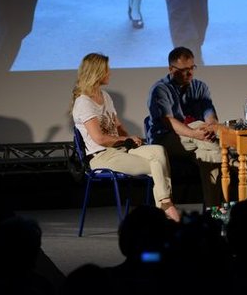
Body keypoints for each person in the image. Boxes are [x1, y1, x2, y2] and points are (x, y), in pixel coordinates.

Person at [71, 53, 182, 222]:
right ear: (97, 72)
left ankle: (164, 206)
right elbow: (99, 139)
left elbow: (118, 127)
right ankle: (166, 207)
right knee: (156, 164)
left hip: (120, 149)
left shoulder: (105, 96)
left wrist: (129, 138)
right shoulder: (84, 103)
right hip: (101, 156)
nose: (110, 73)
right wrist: (124, 140)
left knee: (158, 151)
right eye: (107, 70)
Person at [146, 46, 224, 207]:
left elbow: (210, 116)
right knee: (197, 125)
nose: (189, 73)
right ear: (171, 69)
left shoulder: (200, 87)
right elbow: (168, 121)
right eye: (183, 70)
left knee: (207, 155)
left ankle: (213, 211)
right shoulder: (160, 89)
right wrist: (195, 132)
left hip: (198, 141)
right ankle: (236, 164)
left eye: (192, 68)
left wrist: (211, 127)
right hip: (167, 140)